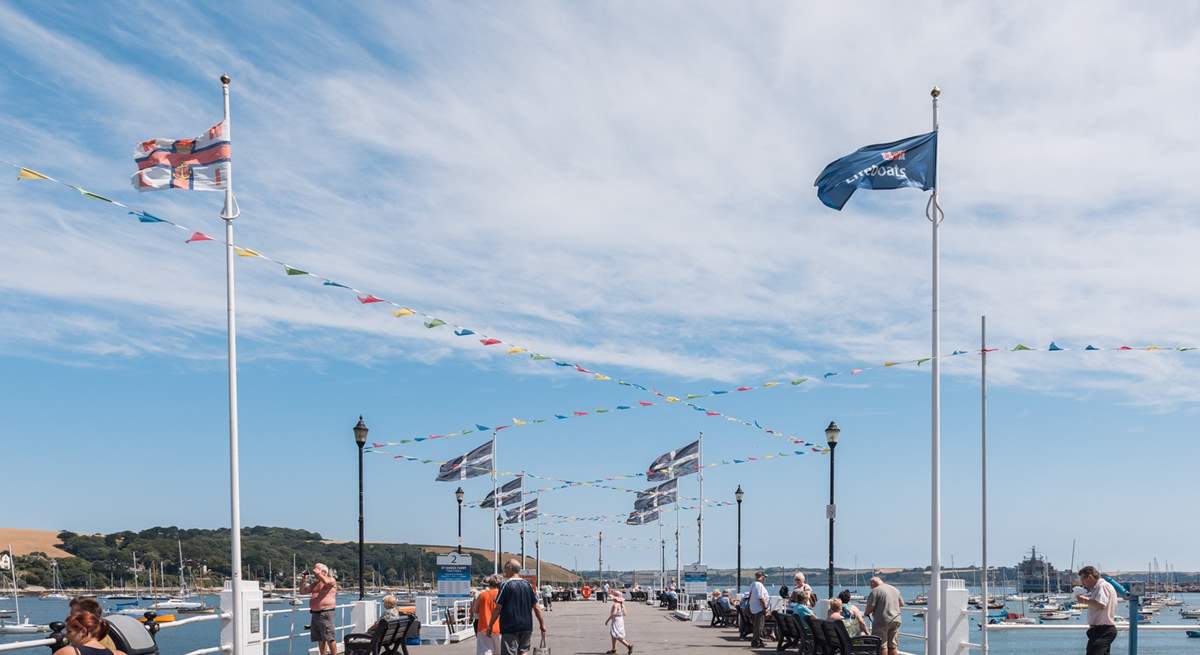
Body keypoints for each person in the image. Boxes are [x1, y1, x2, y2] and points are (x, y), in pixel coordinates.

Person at [488, 559, 547, 655]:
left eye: (505, 568)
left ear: (510, 568)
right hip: (526, 626)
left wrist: (490, 625)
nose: (504, 571)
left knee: (509, 652)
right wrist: (542, 624)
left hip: (510, 626)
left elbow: (498, 608)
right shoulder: (528, 585)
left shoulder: (506, 585)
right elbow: (536, 607)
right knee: (524, 651)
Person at [1076, 566, 1118, 655]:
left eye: (1083, 580)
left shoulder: (1102, 586)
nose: (1083, 583)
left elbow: (1101, 604)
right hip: (1101, 630)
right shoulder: (1100, 587)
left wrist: (1083, 600)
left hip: (1102, 630)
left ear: (1090, 577)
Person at [299, 563, 338, 655]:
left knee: (329, 637)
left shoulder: (331, 580)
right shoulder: (315, 583)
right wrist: (303, 580)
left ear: (324, 572)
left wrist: (318, 574)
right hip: (315, 613)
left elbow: (327, 582)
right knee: (320, 638)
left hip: (326, 612)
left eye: (316, 569)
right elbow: (302, 591)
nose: (314, 571)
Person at [52, 611, 126, 655]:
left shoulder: (67, 652)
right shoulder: (119, 654)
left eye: (69, 631)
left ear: (83, 631)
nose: (66, 635)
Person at [865, 576, 904, 655]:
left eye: (870, 584)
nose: (870, 587)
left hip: (883, 620)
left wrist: (866, 613)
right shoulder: (894, 589)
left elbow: (870, 606)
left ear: (873, 583)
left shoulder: (875, 591)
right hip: (896, 619)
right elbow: (901, 604)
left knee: (882, 645)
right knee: (893, 645)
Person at [472, 575, 502, 655]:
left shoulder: (483, 595)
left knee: (486, 652)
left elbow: (475, 610)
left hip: (484, 627)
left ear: (489, 584)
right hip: (500, 628)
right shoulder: (503, 595)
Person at [604, 590, 633, 655]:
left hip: (616, 621)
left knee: (617, 635)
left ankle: (628, 645)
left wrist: (607, 620)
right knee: (614, 634)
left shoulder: (615, 605)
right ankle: (613, 649)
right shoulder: (622, 604)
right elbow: (625, 613)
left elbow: (613, 614)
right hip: (621, 620)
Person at [748, 571, 770, 648]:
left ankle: (758, 641)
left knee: (757, 626)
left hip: (753, 608)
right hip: (759, 609)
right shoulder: (759, 585)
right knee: (759, 626)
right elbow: (761, 598)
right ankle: (756, 642)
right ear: (762, 577)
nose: (765, 579)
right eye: (764, 577)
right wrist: (765, 608)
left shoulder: (753, 584)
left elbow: (750, 595)